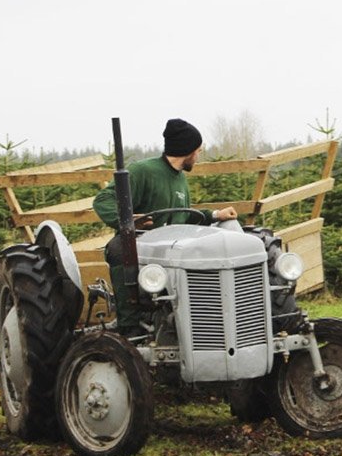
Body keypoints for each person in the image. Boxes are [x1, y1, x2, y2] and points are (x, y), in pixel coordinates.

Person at [93, 118, 238, 336]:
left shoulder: (180, 179)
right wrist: (129, 221)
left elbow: (183, 219)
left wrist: (216, 215)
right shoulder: (142, 171)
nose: (198, 156)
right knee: (118, 248)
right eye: (198, 151)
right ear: (188, 150)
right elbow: (102, 200)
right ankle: (129, 325)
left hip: (175, 247)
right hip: (144, 245)